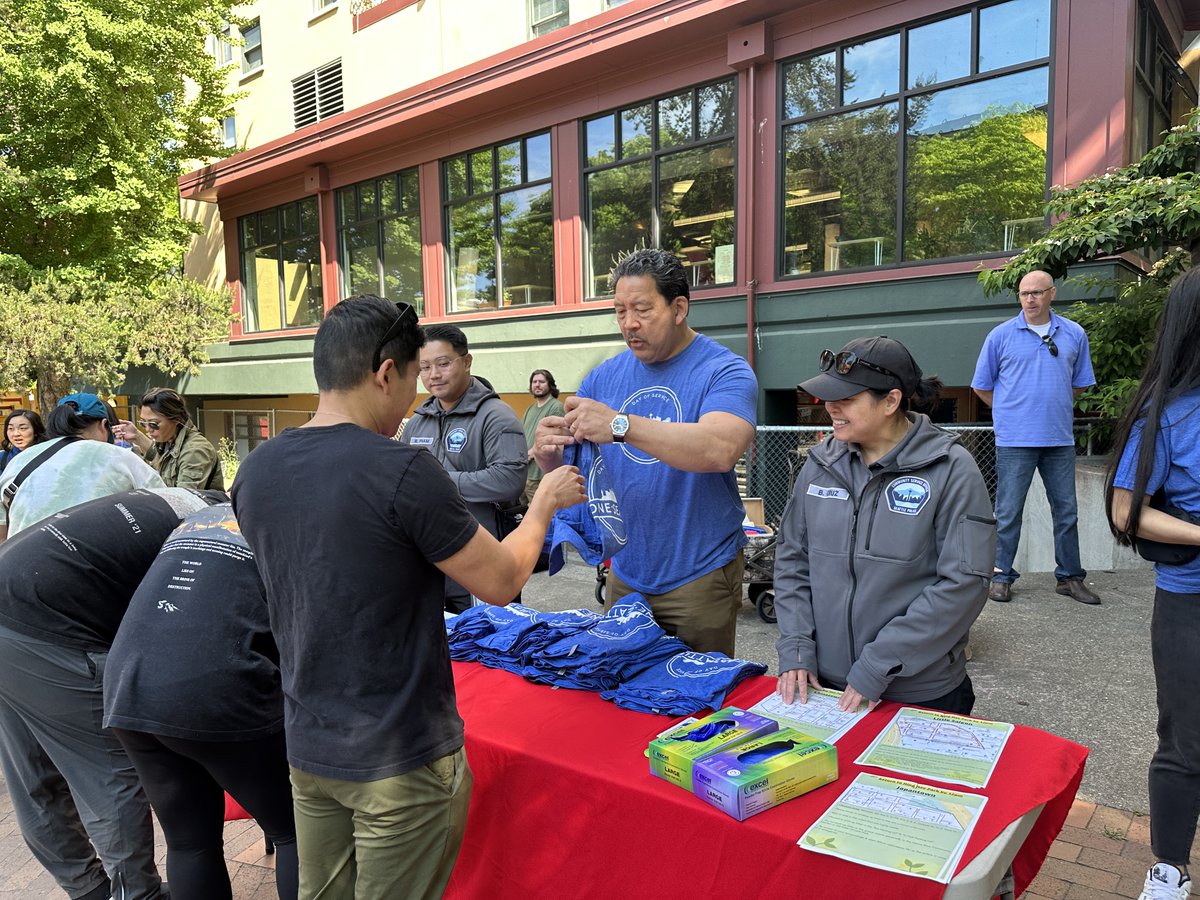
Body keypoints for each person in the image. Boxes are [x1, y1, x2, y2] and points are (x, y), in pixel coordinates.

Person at [231, 294, 585, 900]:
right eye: (414, 373)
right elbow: (500, 583)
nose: (415, 393)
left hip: (310, 743)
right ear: (385, 372)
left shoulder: (257, 467)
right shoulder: (400, 468)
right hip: (400, 755)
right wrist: (544, 504)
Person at [0, 486, 226, 900]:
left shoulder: (161, 500)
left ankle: (88, 889)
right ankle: (135, 894)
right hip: (46, 624)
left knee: (33, 773)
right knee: (109, 771)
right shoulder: (210, 530)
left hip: (11, 594)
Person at [534, 248, 757, 656]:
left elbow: (720, 449)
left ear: (679, 308)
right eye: (619, 311)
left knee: (698, 703)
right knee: (620, 694)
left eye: (642, 309)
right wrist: (549, 455)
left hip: (699, 572)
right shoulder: (603, 377)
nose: (629, 324)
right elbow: (575, 470)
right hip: (626, 571)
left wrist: (620, 425)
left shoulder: (724, 370)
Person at [774, 337, 996, 714]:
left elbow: (964, 585)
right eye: (829, 397)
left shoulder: (952, 469)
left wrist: (878, 664)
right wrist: (796, 647)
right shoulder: (819, 465)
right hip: (822, 688)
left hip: (920, 693)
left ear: (891, 401)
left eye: (847, 398)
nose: (830, 407)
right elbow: (793, 561)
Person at [104, 502, 297, 900]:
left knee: (190, 842)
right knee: (294, 830)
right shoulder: (297, 524)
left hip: (129, 682)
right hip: (213, 685)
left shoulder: (197, 520)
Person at [1105, 268, 1200, 900]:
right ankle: (1169, 868)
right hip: (1190, 600)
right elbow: (1125, 511)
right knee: (1186, 740)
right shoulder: (1167, 414)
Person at [972, 269, 1100, 605]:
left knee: (1066, 512)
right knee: (1009, 511)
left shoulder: (1074, 334)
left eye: (1037, 292)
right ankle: (1001, 576)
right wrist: (1010, 411)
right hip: (1014, 440)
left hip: (1059, 439)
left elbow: (1081, 383)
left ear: (1052, 293)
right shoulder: (1000, 336)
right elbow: (982, 386)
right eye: (1024, 293)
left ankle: (1070, 577)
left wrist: (1049, 403)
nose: (1030, 299)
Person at [400, 323, 527, 612]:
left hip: (481, 562)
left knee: (488, 646)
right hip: (428, 564)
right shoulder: (418, 421)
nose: (434, 375)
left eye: (443, 364)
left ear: (467, 361)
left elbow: (509, 479)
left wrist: (438, 481)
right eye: (425, 367)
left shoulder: (495, 416)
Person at [0, 393, 164, 543]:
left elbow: (2, 531)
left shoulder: (19, 461)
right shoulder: (120, 457)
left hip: (21, 568)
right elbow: (166, 509)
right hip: (96, 570)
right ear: (103, 425)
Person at [113, 387, 224, 490]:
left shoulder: (195, 451)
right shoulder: (170, 440)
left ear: (175, 419)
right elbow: (157, 455)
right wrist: (136, 435)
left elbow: (183, 500)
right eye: (143, 423)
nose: (147, 429)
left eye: (153, 424)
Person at [522, 369, 565, 503]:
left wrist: (531, 453)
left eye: (541, 381)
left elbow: (556, 441)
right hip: (525, 474)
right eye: (534, 382)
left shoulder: (556, 407)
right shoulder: (530, 409)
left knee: (540, 519)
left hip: (539, 475)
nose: (537, 385)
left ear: (550, 384)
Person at [1, 408, 48, 472]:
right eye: (11, 428)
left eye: (23, 428)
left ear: (36, 430)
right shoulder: (2, 457)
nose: (16, 434)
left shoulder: (49, 455)